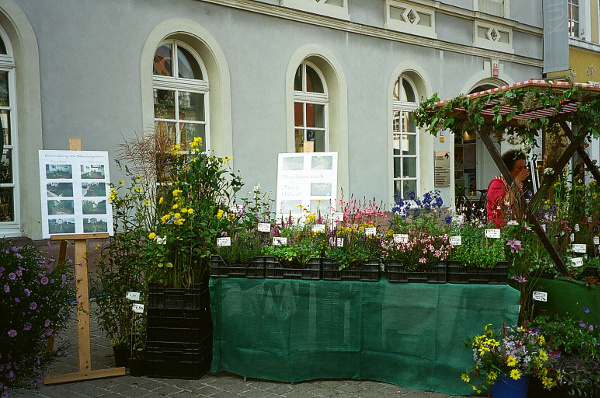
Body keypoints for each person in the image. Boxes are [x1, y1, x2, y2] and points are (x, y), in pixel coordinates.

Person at [486, 149, 529, 227]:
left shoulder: (519, 185)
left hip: (515, 227)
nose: (523, 171)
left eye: (524, 168)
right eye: (519, 168)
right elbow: (507, 203)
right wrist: (517, 180)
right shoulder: (496, 183)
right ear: (508, 169)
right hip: (499, 229)